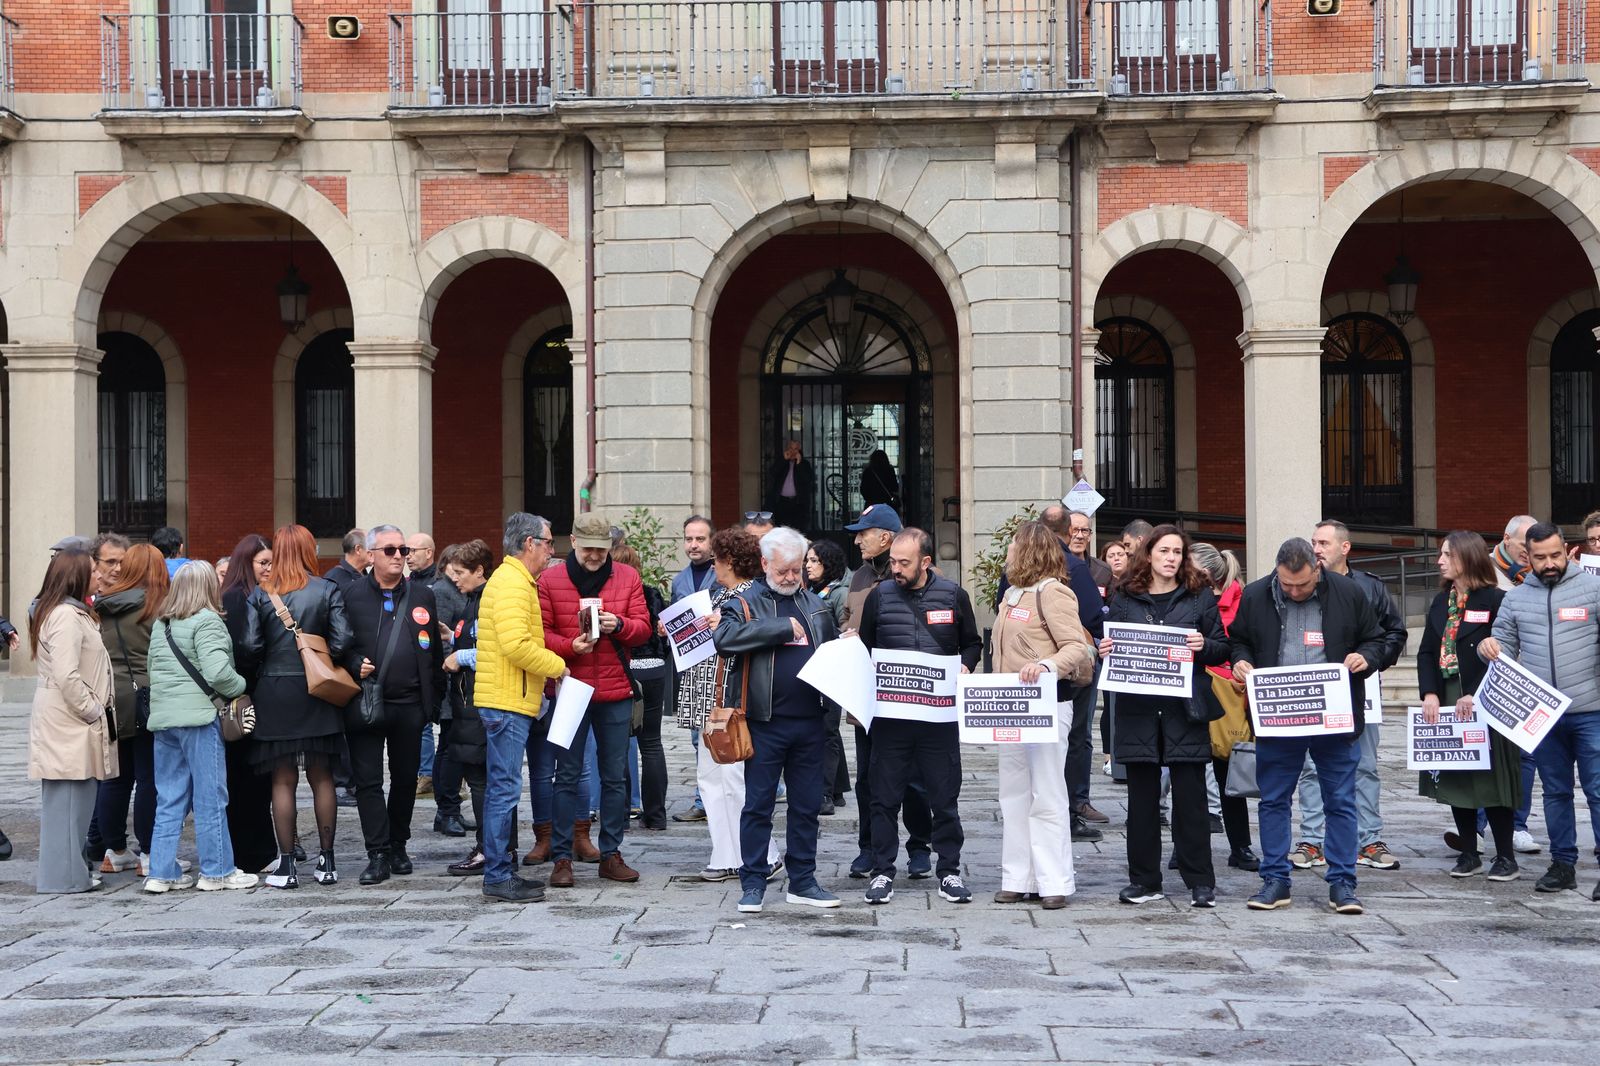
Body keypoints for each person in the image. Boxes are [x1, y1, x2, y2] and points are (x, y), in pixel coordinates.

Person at [1230, 537, 1385, 915]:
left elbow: (1381, 638)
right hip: (1278, 715)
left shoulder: (1348, 593)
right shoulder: (1255, 596)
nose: (1295, 591)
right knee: (1273, 800)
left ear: (1318, 568)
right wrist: (1241, 661)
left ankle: (1343, 882)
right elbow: (1239, 641)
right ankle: (1275, 879)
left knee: (1341, 800)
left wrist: (1365, 657)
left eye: (1302, 584)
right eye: (1286, 584)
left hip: (1332, 716)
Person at [713, 526, 843, 913]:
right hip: (763, 722)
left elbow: (829, 651)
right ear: (765, 563)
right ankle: (752, 882)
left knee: (806, 806)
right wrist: (780, 629)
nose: (791, 577)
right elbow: (725, 638)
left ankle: (803, 880)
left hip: (810, 722)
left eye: (796, 569)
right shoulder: (745, 601)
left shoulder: (815, 604)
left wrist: (845, 644)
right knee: (758, 805)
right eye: (783, 570)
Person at [1100, 524, 1231, 908]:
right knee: (1141, 804)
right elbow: (1111, 640)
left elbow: (1222, 647)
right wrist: (1105, 647)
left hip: (1184, 711)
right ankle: (1144, 880)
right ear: (1149, 555)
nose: (1171, 558)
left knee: (1190, 802)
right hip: (1139, 712)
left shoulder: (1198, 596)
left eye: (1177, 552)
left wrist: (1203, 645)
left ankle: (1199, 880)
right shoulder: (1125, 596)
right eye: (1164, 551)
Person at [857, 526, 983, 905]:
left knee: (944, 798)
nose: (895, 568)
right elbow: (865, 645)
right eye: (893, 561)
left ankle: (949, 871)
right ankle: (882, 872)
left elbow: (972, 642)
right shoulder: (879, 597)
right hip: (891, 721)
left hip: (938, 720)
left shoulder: (953, 595)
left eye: (903, 562)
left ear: (925, 562)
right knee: (883, 798)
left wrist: (965, 666)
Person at [1480, 522, 1600, 898]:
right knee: (1555, 791)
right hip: (1543, 716)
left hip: (1591, 711)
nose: (1549, 563)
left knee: (1598, 790)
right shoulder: (1515, 599)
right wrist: (1488, 647)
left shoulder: (1594, 590)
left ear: (1567, 550)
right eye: (1540, 557)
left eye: (1555, 555)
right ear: (1526, 557)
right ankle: (1562, 863)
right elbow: (1502, 643)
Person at [240, 524, 358, 889]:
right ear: (309, 550)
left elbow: (249, 646)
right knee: (322, 776)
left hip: (275, 691)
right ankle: (327, 861)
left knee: (283, 779)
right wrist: (323, 657)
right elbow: (343, 639)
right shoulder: (327, 589)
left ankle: (287, 864)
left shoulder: (261, 594)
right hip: (317, 689)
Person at [538, 512, 651, 888]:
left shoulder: (628, 576)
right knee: (566, 775)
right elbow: (541, 633)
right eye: (587, 548)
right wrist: (569, 645)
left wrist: (619, 625)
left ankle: (611, 853)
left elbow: (643, 629)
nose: (594, 556)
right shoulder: (551, 579)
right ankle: (562, 856)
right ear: (572, 542)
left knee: (615, 776)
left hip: (616, 689)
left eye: (601, 550)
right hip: (570, 687)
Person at [1294, 520, 1409, 872]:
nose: (1316, 548)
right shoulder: (1299, 584)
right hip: (1313, 691)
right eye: (1313, 541)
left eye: (1324, 542)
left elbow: (1394, 633)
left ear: (1344, 548)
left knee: (1365, 766)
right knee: (1311, 768)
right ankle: (1312, 841)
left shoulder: (1370, 588)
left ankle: (1368, 840)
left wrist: (1371, 659)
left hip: (1359, 691)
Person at [991, 521, 1095, 909]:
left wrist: (1048, 666)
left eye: (1013, 544)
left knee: (1047, 791)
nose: (1008, 551)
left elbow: (1076, 648)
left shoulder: (1054, 593)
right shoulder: (1013, 594)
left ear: (1029, 549)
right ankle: (1017, 877)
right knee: (1013, 792)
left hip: (1048, 704)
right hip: (1012, 705)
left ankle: (1054, 880)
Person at [672, 528, 781, 881]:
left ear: (730, 561)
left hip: (733, 700)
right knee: (712, 778)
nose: (714, 566)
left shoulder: (755, 595)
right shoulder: (722, 593)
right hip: (711, 699)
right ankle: (726, 854)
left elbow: (760, 636)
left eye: (718, 559)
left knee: (735, 781)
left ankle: (763, 854)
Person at [143, 561, 257, 893]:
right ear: (209, 588)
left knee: (169, 798)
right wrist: (242, 685)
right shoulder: (207, 621)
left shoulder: (161, 625)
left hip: (165, 720)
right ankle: (217, 871)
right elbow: (219, 674)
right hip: (199, 719)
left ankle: (161, 873)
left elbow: (153, 670)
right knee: (211, 797)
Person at [340, 525, 444, 885]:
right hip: (365, 702)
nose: (399, 556)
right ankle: (377, 852)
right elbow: (338, 645)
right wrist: (355, 663)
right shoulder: (350, 595)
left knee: (404, 779)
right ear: (370, 556)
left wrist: (434, 701)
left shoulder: (421, 596)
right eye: (389, 550)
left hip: (410, 704)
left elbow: (434, 653)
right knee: (368, 782)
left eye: (402, 550)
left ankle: (398, 844)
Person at [1416, 532, 1520, 882]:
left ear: (1467, 559)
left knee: (1492, 779)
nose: (1440, 560)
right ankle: (1469, 853)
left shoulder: (1496, 599)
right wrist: (1429, 693)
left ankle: (1505, 856)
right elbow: (1427, 651)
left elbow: (1506, 655)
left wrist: (1476, 692)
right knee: (1457, 775)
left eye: (1447, 555)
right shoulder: (1441, 601)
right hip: (1448, 697)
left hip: (1485, 701)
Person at [475, 512, 568, 902]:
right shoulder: (513, 583)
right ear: (529, 543)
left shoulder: (515, 579)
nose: (551, 551)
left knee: (504, 788)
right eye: (548, 543)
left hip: (510, 698)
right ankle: (497, 875)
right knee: (504, 791)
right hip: (507, 701)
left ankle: (501, 870)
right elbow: (516, 646)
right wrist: (558, 666)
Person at [840, 503, 934, 879]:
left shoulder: (926, 577)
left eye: (864, 533)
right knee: (867, 778)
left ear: (886, 537)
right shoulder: (860, 576)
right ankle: (870, 847)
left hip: (909, 694)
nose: (858, 539)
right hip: (867, 695)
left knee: (912, 777)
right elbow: (846, 616)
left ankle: (919, 846)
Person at [29, 550, 117, 894]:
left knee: (74, 803)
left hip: (70, 721)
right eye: (94, 570)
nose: (100, 576)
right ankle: (64, 877)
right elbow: (67, 675)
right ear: (77, 576)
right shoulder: (66, 616)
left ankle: (71, 873)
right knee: (67, 803)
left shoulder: (71, 612)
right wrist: (92, 709)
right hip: (69, 722)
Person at [82, 543, 167, 876]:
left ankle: (114, 849)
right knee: (149, 777)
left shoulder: (101, 606)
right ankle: (148, 853)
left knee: (116, 778)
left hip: (110, 696)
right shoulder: (153, 606)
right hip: (147, 696)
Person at [1032, 505, 1111, 838]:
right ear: (1066, 532)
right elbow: (1094, 617)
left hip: (1030, 669)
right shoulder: (1075, 569)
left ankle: (1042, 807)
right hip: (1071, 667)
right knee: (1076, 736)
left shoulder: (1018, 567)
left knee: (1038, 740)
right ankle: (1073, 807)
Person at [1189, 542, 1258, 871]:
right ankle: (1186, 845)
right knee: (1187, 778)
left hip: (1228, 694)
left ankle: (1240, 846)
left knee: (1230, 777)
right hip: (1193, 691)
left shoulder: (1241, 602)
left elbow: (1242, 645)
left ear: (1205, 573)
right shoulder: (1187, 598)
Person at [218, 533, 277, 874]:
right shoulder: (239, 599)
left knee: (256, 777)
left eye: (271, 562)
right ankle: (250, 853)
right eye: (262, 563)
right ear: (247, 564)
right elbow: (243, 652)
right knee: (247, 777)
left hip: (253, 696)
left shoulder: (255, 595)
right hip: (244, 698)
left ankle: (255, 849)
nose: (269, 568)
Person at [437, 540, 495, 874]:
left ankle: (490, 848)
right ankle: (494, 846)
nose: (454, 579)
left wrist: (460, 655)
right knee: (481, 779)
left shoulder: (486, 601)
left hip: (479, 702)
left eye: (460, 573)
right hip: (467, 702)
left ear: (478, 571)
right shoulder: (471, 600)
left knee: (481, 781)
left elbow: (492, 650)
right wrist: (452, 639)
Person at [612, 541, 670, 831]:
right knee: (652, 743)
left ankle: (620, 814)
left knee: (619, 745)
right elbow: (667, 635)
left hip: (624, 671)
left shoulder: (609, 595)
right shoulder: (652, 593)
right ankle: (657, 815)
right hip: (655, 671)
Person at [670, 515, 718, 824]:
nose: (694, 544)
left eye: (700, 539)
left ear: (712, 541)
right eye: (689, 539)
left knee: (724, 732)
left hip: (722, 664)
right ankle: (703, 799)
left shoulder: (724, 574)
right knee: (695, 737)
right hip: (691, 666)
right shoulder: (679, 580)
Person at [805, 537, 853, 813]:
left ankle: (823, 793)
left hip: (832, 668)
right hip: (818, 669)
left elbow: (842, 631)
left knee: (827, 730)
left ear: (828, 564)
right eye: (807, 560)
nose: (808, 566)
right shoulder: (815, 589)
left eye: (814, 561)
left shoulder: (838, 593)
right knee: (828, 728)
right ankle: (837, 789)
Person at [406, 532, 442, 800]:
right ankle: (423, 771)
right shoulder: (406, 583)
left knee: (426, 721)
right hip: (409, 661)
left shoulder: (438, 586)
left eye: (412, 550)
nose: (406, 555)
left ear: (429, 552)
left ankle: (428, 772)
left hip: (432, 660)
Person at [764, 440, 815, 531]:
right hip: (782, 502)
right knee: (782, 529)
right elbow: (772, 473)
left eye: (796, 449)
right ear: (787, 449)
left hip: (798, 502)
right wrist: (783, 460)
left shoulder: (805, 464)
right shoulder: (781, 461)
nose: (793, 451)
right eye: (791, 448)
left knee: (797, 529)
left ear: (799, 450)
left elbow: (807, 480)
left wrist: (799, 463)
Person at [1492, 515, 1537, 590]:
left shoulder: (1544, 568)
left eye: (1534, 547)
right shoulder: (1484, 570)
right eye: (1524, 545)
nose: (1529, 552)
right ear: (1507, 539)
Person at [92, 534, 131, 598]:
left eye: (122, 562)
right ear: (95, 563)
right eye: (111, 562)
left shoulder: (132, 597)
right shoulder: (84, 597)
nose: (118, 569)